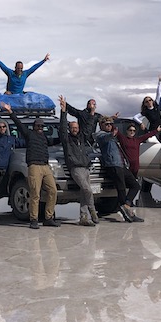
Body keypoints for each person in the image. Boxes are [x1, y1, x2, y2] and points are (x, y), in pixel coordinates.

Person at [8, 109, 60, 229]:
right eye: (38, 125)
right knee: (35, 194)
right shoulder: (29, 134)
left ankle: (48, 217)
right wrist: (11, 112)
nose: (40, 127)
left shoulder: (45, 138)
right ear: (34, 126)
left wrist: (63, 113)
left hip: (46, 166)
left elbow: (60, 137)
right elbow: (18, 124)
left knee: (53, 191)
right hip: (34, 166)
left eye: (42, 126)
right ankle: (34, 219)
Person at [58, 95, 98, 226]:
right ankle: (92, 210)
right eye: (72, 128)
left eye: (76, 127)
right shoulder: (66, 139)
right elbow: (63, 127)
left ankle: (83, 217)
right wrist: (63, 111)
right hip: (75, 168)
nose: (75, 129)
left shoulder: (82, 138)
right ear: (70, 129)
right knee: (87, 190)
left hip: (85, 167)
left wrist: (92, 114)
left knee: (84, 192)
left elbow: (89, 128)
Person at [95, 117, 144, 223]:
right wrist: (112, 133)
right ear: (101, 125)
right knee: (121, 189)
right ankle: (128, 213)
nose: (109, 125)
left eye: (110, 124)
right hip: (112, 165)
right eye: (107, 124)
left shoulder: (113, 136)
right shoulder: (100, 135)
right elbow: (105, 138)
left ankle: (126, 205)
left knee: (135, 185)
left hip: (121, 165)